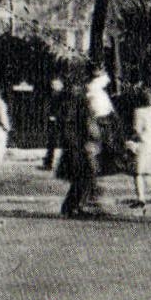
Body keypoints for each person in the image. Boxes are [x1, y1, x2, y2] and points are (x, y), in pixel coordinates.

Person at [57, 66, 103, 218]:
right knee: (86, 174)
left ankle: (72, 206)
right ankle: (74, 206)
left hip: (74, 142)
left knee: (81, 176)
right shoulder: (81, 100)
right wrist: (93, 137)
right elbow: (88, 122)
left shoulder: (70, 99)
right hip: (80, 143)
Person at [127, 84, 151, 209]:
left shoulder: (138, 111)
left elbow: (136, 130)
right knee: (148, 171)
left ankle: (141, 198)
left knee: (138, 173)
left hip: (142, 144)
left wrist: (130, 142)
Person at [42, 75, 65, 170]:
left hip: (61, 120)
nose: (54, 86)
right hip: (56, 121)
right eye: (53, 84)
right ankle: (48, 162)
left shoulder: (61, 95)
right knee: (52, 142)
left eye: (56, 84)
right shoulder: (52, 95)